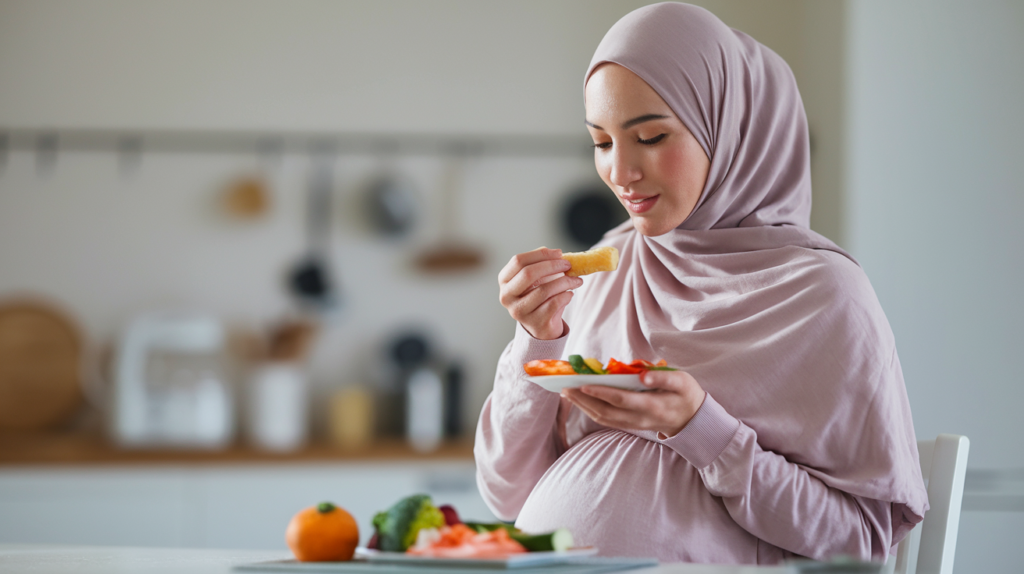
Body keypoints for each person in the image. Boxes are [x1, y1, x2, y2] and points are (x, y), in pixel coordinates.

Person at [474, 2, 929, 565]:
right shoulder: (609, 267)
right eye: (602, 142)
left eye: (651, 136)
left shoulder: (823, 294)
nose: (620, 172)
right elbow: (504, 494)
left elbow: (861, 543)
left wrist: (700, 430)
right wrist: (536, 340)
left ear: (730, 129)